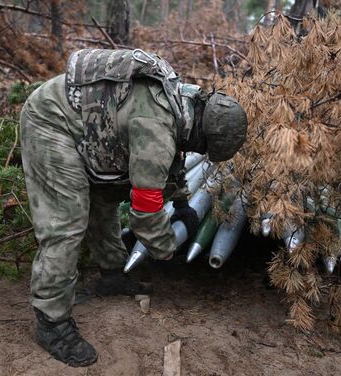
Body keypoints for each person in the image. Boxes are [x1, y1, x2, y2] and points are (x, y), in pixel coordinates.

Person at [20, 48, 247, 367]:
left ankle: (112, 274)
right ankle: (51, 323)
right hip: (51, 123)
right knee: (65, 226)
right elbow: (145, 213)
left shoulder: (188, 103)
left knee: (103, 200)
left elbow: (173, 163)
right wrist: (167, 249)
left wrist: (182, 204)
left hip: (86, 126)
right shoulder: (158, 130)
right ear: (204, 135)